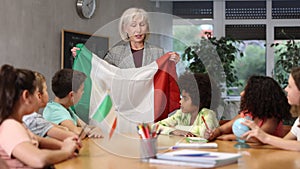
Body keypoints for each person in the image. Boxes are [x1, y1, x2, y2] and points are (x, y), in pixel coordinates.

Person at [0, 64, 81, 168]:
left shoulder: (18, 123)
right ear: (26, 96)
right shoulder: (10, 126)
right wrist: (66, 151)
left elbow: (39, 140)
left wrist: (64, 144)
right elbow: (39, 160)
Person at [71, 7, 180, 68]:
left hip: (150, 104)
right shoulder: (115, 53)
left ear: (147, 28)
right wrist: (82, 56)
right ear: (125, 28)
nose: (138, 30)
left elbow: (166, 79)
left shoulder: (158, 52)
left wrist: (173, 61)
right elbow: (101, 71)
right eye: (133, 25)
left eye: (142, 25)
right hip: (123, 104)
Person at [206, 75, 291, 142]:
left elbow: (259, 138)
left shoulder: (272, 118)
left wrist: (230, 137)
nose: (242, 93)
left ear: (258, 97)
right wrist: (214, 133)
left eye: (247, 91)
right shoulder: (247, 113)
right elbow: (222, 129)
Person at [241, 67, 300, 151]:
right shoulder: (299, 120)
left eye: (290, 86)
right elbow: (284, 143)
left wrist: (265, 137)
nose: (286, 89)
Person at [155, 72, 220, 137]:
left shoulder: (208, 114)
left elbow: (206, 131)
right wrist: (173, 131)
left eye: (185, 98)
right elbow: (155, 127)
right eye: (181, 97)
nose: (180, 101)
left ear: (198, 100)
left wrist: (177, 127)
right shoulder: (181, 114)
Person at [43, 68, 103, 138]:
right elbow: (76, 132)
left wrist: (96, 129)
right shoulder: (55, 111)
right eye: (81, 90)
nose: (83, 93)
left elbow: (85, 127)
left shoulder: (65, 108)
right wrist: (89, 130)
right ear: (72, 95)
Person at [23, 71, 76, 141]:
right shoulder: (34, 120)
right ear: (39, 96)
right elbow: (73, 135)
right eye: (46, 90)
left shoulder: (34, 118)